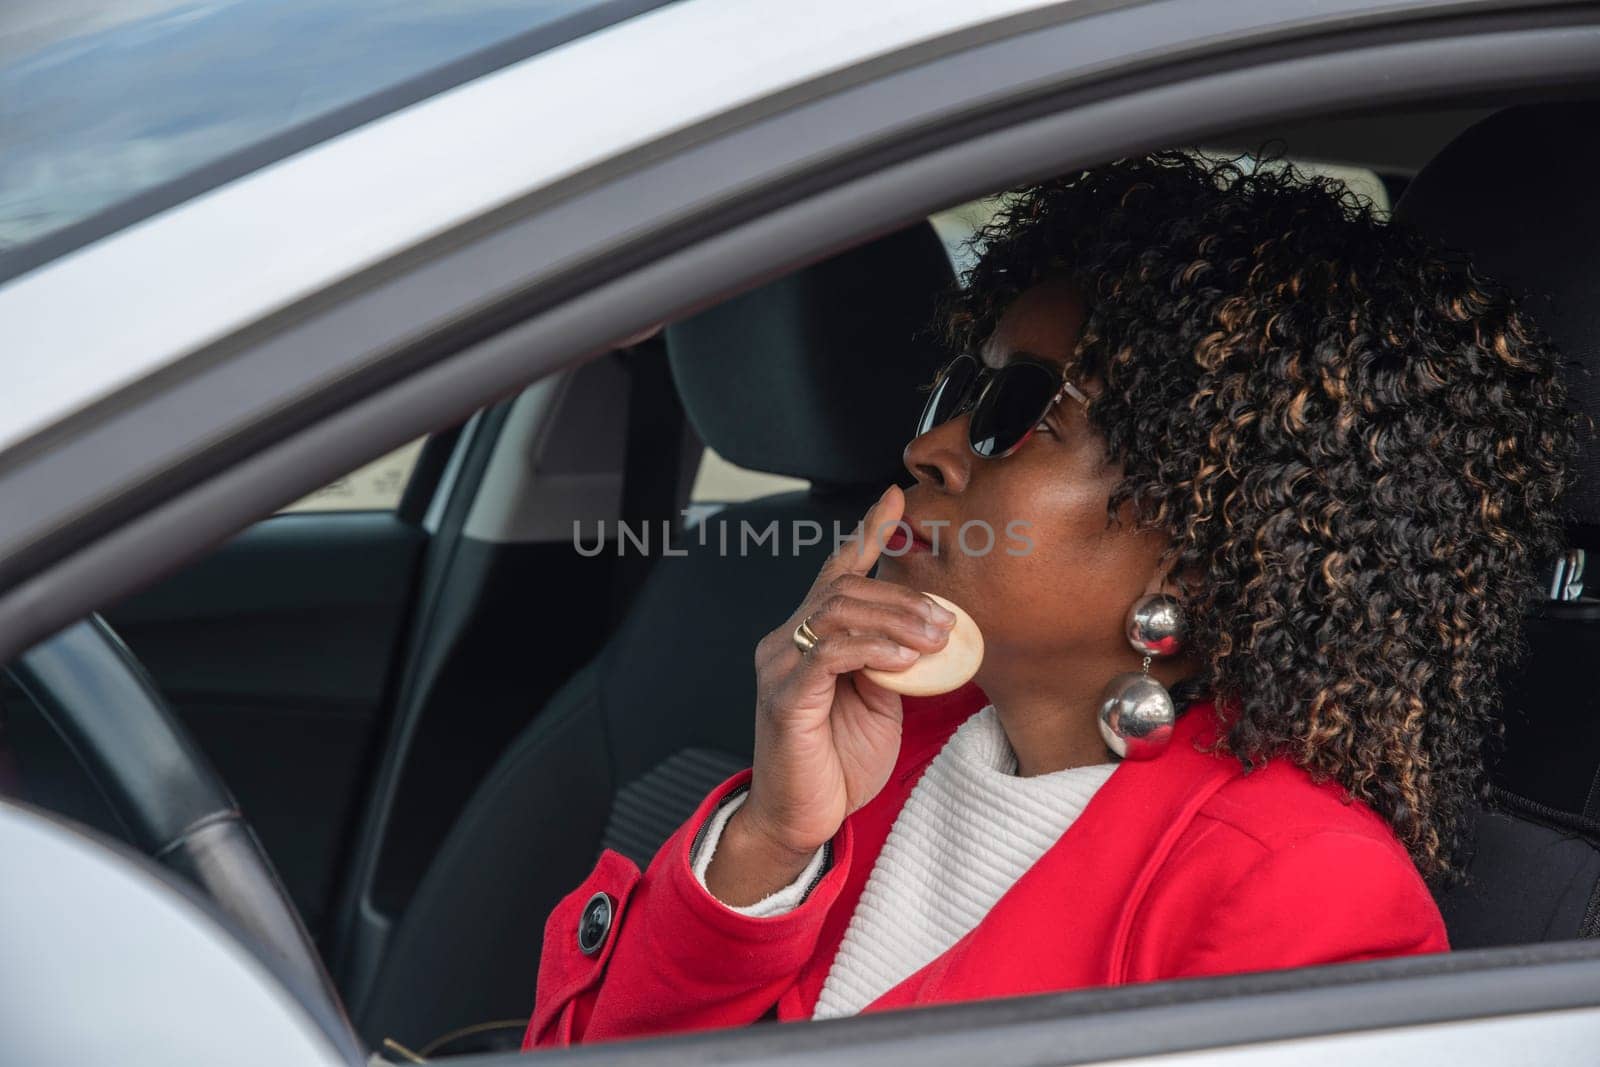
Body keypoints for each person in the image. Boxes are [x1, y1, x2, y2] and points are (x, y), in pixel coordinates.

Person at [522, 151, 1577, 1049]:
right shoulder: (887, 748)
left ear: (1200, 544)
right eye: (957, 394)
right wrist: (769, 838)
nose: (926, 449)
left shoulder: (1293, 886)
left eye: (1016, 410)